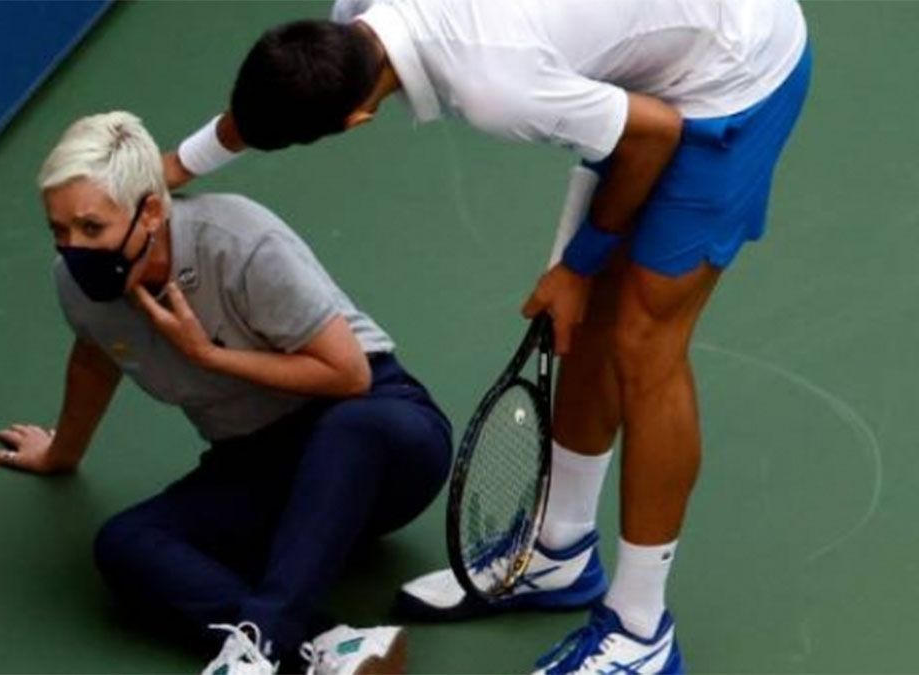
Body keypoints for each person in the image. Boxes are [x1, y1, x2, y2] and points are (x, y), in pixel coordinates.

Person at [159, 1, 811, 671]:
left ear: (356, 121)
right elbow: (268, 103)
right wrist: (170, 167)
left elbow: (654, 134)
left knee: (643, 345)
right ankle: (558, 551)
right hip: (641, 38)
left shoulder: (495, 84)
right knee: (589, 322)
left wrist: (579, 265)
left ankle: (642, 630)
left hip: (734, 65)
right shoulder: (351, 22)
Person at [0, 110, 452, 675]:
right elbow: (93, 358)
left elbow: (349, 375)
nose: (73, 248)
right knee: (126, 543)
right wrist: (62, 453)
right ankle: (329, 647)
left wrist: (208, 356)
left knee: (349, 428)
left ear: (149, 212)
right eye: (59, 231)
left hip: (379, 440)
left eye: (91, 228)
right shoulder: (78, 286)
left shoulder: (238, 242)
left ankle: (258, 646)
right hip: (259, 464)